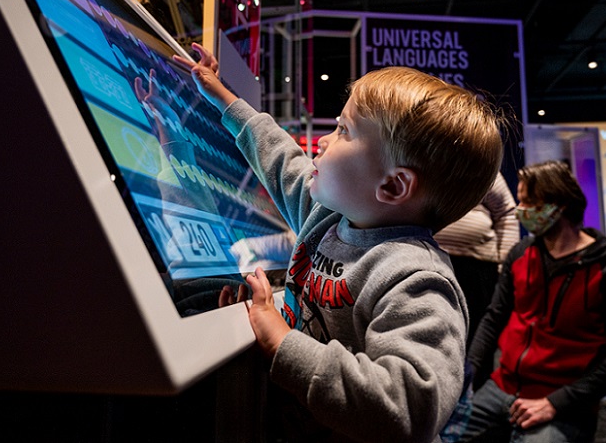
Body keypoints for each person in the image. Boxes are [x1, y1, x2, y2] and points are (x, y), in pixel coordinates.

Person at [176, 42, 504, 443]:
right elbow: (280, 158)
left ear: (393, 185)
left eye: (343, 131)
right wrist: (224, 97)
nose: (322, 142)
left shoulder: (415, 280)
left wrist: (282, 343)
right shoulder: (328, 217)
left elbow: (408, 408)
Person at [459, 160, 606, 443]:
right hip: (502, 386)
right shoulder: (520, 255)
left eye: (530, 202)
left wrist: (556, 402)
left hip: (562, 398)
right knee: (440, 433)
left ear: (560, 204)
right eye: (520, 201)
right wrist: (467, 374)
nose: (522, 211)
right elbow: (494, 317)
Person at [433, 172, 518, 346]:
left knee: (477, 334)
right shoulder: (423, 162)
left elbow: (506, 213)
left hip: (479, 268)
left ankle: (477, 372)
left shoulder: (482, 165)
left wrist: (504, 264)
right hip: (432, 261)